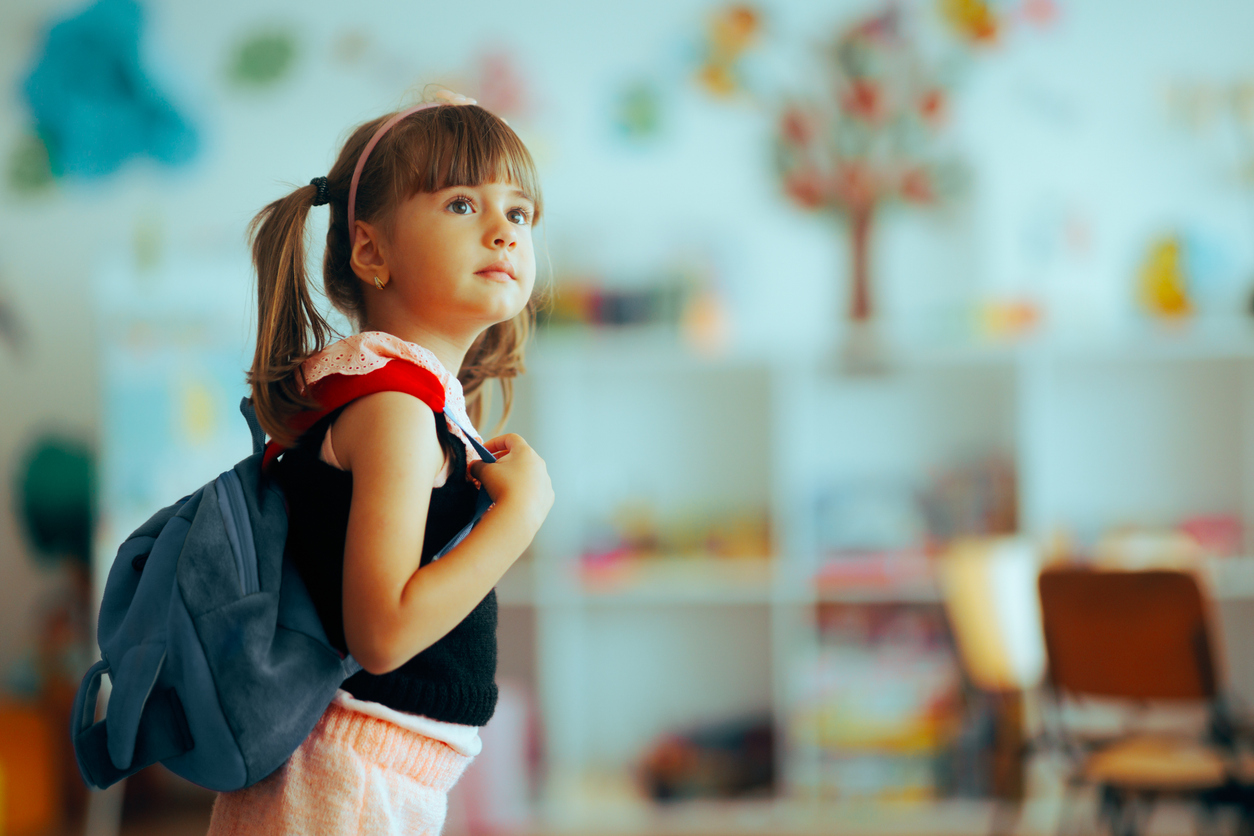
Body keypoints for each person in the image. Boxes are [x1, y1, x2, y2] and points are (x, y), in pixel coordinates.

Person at [205, 90, 555, 835]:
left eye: (519, 213)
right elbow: (384, 632)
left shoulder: (396, 393)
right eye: (463, 204)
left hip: (359, 774)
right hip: (347, 782)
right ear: (370, 251)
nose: (503, 231)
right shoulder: (394, 410)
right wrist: (520, 516)